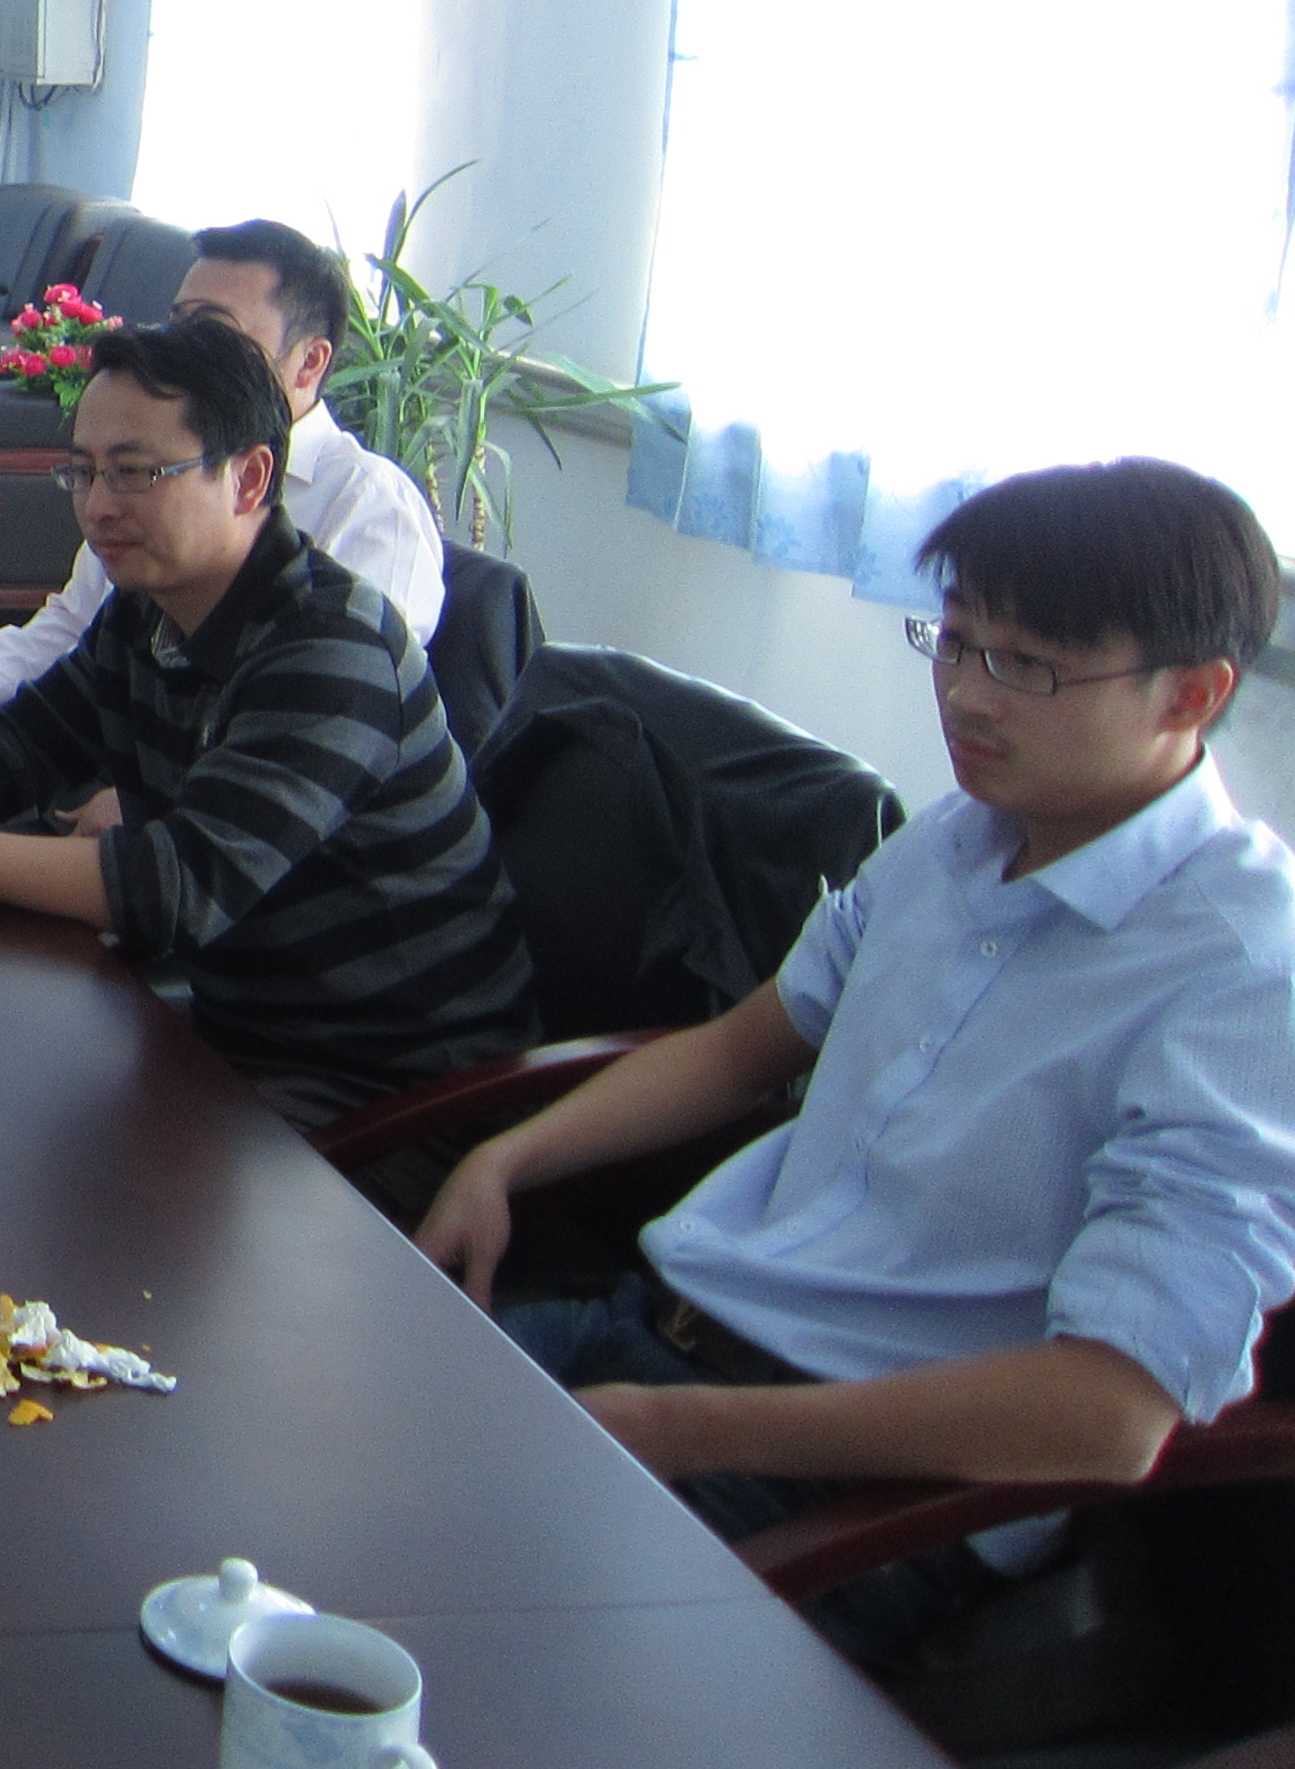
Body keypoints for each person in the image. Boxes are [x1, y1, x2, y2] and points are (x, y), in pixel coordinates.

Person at [415, 458, 1295, 1652]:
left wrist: (685, 1434)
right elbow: (738, 1049)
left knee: (405, 1613)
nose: (966, 698)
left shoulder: (1242, 973)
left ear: (1190, 693)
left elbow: (1110, 1416)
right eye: (955, 642)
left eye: (1027, 667)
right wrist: (503, 1162)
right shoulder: (956, 840)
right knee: (291, 1437)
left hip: (848, 1485)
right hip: (653, 1336)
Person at [0, 318, 533, 1141]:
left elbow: (179, 886)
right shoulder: (151, 607)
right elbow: (28, 739)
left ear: (249, 478)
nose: (98, 506)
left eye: (135, 473)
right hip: (242, 1033)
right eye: (84, 472)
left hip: (397, 1092)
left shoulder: (335, 648)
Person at [0, 217, 443, 712]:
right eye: (179, 323)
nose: (186, 348)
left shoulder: (368, 503)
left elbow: (343, 699)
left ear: (309, 362)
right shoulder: (150, 467)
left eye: (215, 330)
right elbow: (75, 624)